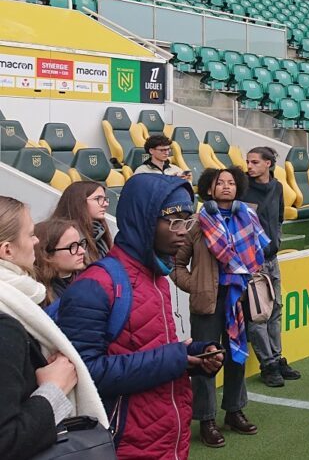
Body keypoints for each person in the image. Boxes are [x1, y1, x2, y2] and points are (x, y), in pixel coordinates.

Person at [57, 174, 224, 459]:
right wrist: (175, 359)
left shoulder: (157, 277)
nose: (183, 231)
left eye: (188, 220)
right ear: (143, 220)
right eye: (174, 221)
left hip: (168, 440)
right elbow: (84, 373)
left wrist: (195, 357)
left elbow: (150, 349)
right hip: (123, 444)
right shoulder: (95, 286)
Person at [0, 196, 108, 459]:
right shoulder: (6, 326)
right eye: (30, 235)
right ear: (7, 250)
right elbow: (6, 441)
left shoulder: (18, 305)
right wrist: (54, 389)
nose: (36, 241)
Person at [174, 166, 267, 448]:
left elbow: (259, 255)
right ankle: (206, 420)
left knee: (237, 356)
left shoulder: (249, 217)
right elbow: (175, 264)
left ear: (238, 187)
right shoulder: (197, 222)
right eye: (219, 182)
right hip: (208, 301)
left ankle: (234, 411)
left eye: (230, 182)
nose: (226, 186)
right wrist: (195, 285)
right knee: (206, 359)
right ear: (208, 188)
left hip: (239, 297)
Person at [241, 147, 301, 388]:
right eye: (248, 161)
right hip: (252, 262)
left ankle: (276, 358)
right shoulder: (242, 188)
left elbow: (278, 218)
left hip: (272, 258)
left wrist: (274, 242)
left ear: (268, 164)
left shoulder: (276, 187)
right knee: (258, 314)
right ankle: (268, 364)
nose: (249, 166)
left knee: (276, 310)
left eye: (254, 162)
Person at [50, 180, 113, 262]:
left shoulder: (100, 232)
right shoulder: (64, 235)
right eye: (97, 198)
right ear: (79, 202)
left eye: (105, 199)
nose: (105, 204)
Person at [33, 219, 87, 306]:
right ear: (47, 254)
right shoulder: (37, 294)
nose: (82, 251)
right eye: (71, 247)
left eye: (80, 244)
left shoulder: (88, 281)